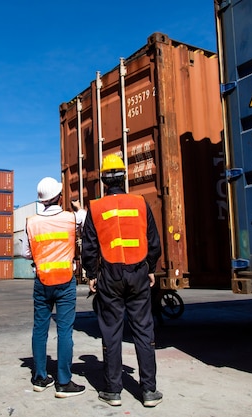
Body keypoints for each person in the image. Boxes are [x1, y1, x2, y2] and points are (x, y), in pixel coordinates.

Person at [81, 154, 163, 408]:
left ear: (104, 180)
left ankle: (113, 391)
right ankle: (149, 391)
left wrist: (91, 275)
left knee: (112, 332)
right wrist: (150, 267)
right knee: (143, 330)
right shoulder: (140, 203)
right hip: (138, 271)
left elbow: (89, 246)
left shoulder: (95, 207)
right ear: (124, 177)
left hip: (110, 275)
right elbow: (153, 240)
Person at [22, 176, 87, 398]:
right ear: (59, 196)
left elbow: (26, 253)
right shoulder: (71, 218)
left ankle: (40, 378)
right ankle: (64, 381)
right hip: (65, 281)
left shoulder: (31, 222)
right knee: (65, 331)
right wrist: (79, 208)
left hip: (41, 281)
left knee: (39, 329)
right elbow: (86, 222)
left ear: (41, 200)